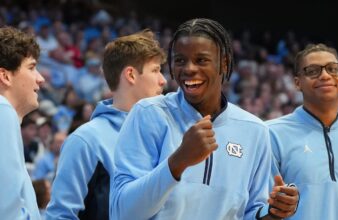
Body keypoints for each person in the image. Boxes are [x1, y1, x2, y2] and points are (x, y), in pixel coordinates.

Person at [111, 18, 298, 220]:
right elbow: (122, 212)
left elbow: (251, 211)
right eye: (180, 60)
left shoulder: (255, 130)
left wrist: (273, 211)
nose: (189, 69)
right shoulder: (148, 113)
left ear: (224, 64)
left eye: (201, 60)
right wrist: (178, 161)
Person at [45, 29, 167, 220]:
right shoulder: (86, 141)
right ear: (131, 75)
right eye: (155, 70)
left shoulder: (165, 135)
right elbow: (60, 216)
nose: (163, 80)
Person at [266, 43, 338, 219]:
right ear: (298, 83)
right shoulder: (271, 134)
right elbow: (257, 206)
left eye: (332, 69)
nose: (325, 75)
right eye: (313, 71)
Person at [0, 26, 45, 219]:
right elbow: (8, 211)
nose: (40, 79)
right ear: (5, 76)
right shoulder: (3, 110)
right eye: (32, 67)